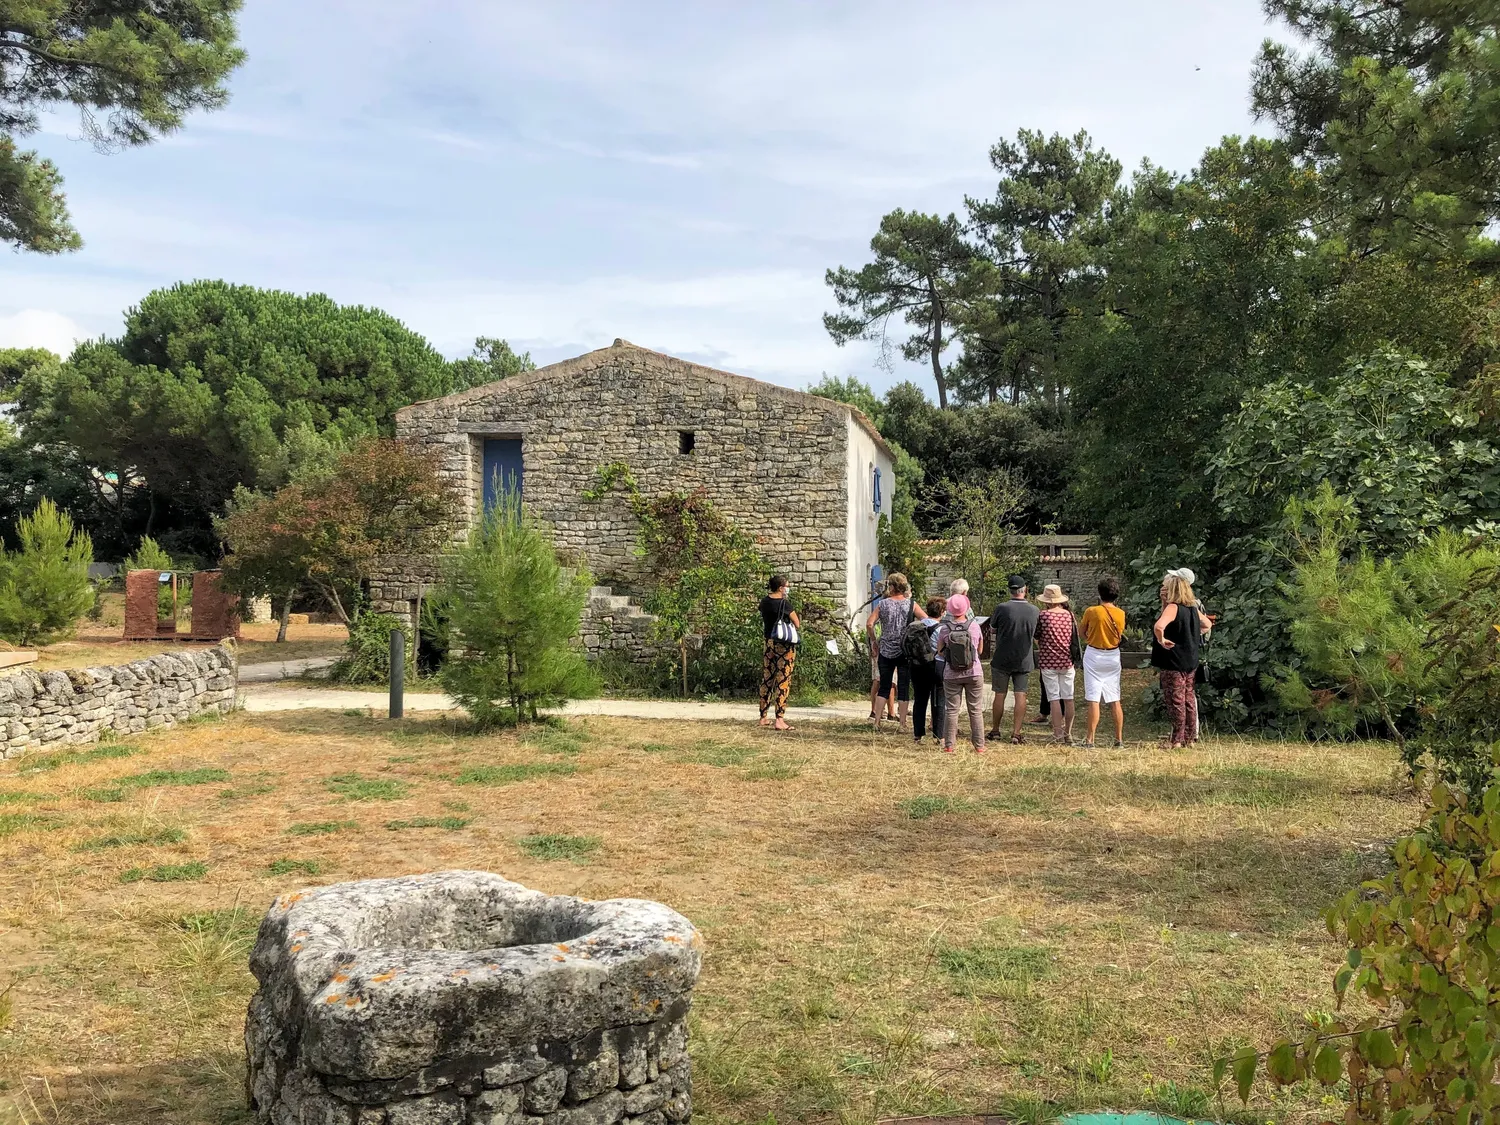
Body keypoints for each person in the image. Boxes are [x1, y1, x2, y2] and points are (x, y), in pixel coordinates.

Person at [1152, 570, 1212, 749]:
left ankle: (1176, 740)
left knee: (1175, 699)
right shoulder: (1192, 608)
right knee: (1188, 698)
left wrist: (1162, 639)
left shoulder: (1173, 607)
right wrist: (1193, 636)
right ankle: (1190, 737)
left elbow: (1159, 626)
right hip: (1191, 659)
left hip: (1174, 660)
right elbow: (1208, 624)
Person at [985, 575, 1040, 746]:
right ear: (1025, 590)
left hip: (1002, 657)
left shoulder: (1002, 608)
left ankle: (995, 730)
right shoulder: (1034, 610)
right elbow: (1037, 634)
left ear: (1010, 590)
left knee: (999, 694)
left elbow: (992, 630)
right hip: (1024, 658)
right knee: (1020, 694)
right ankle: (1016, 733)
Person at [867, 572, 923, 731]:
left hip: (885, 649)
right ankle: (902, 724)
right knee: (903, 687)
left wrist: (874, 642)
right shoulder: (911, 604)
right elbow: (927, 621)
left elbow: (870, 624)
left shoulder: (883, 604)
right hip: (905, 650)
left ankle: (877, 722)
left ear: (891, 587)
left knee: (884, 686)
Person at [935, 593, 986, 753]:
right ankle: (979, 746)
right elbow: (980, 650)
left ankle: (949, 745)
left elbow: (940, 652)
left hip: (951, 674)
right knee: (975, 709)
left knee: (951, 710)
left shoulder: (945, 628)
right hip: (974, 673)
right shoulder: (974, 626)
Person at [1081, 576, 1126, 748]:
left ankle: (1090, 739)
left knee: (1093, 698)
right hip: (1113, 655)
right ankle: (1119, 739)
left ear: (1099, 593)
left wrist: (1090, 639)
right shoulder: (1121, 613)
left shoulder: (1092, 611)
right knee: (1115, 697)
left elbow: (1082, 632)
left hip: (1094, 653)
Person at [1035, 584, 1079, 745]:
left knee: (1054, 698)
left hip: (1048, 661)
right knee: (1069, 698)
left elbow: (1037, 635)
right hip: (1067, 661)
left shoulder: (1043, 615)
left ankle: (1057, 734)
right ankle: (1068, 733)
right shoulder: (1070, 615)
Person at [758, 574, 801, 731]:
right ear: (781, 587)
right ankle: (780, 719)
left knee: (767, 678)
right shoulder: (784, 604)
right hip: (784, 645)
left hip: (769, 642)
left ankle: (763, 717)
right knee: (783, 680)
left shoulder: (764, 601)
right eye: (787, 585)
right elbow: (797, 623)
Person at [904, 596, 947, 744]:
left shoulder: (916, 626)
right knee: (939, 700)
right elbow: (943, 651)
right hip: (935, 666)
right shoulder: (942, 629)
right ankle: (939, 735)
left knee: (920, 700)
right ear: (942, 612)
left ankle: (917, 735)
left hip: (917, 666)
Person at [867, 588, 898, 723]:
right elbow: (870, 626)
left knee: (879, 681)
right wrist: (874, 642)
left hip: (880, 649)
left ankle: (877, 711)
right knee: (888, 682)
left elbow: (869, 627)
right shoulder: (884, 614)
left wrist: (872, 641)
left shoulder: (881, 612)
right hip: (883, 650)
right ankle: (888, 712)